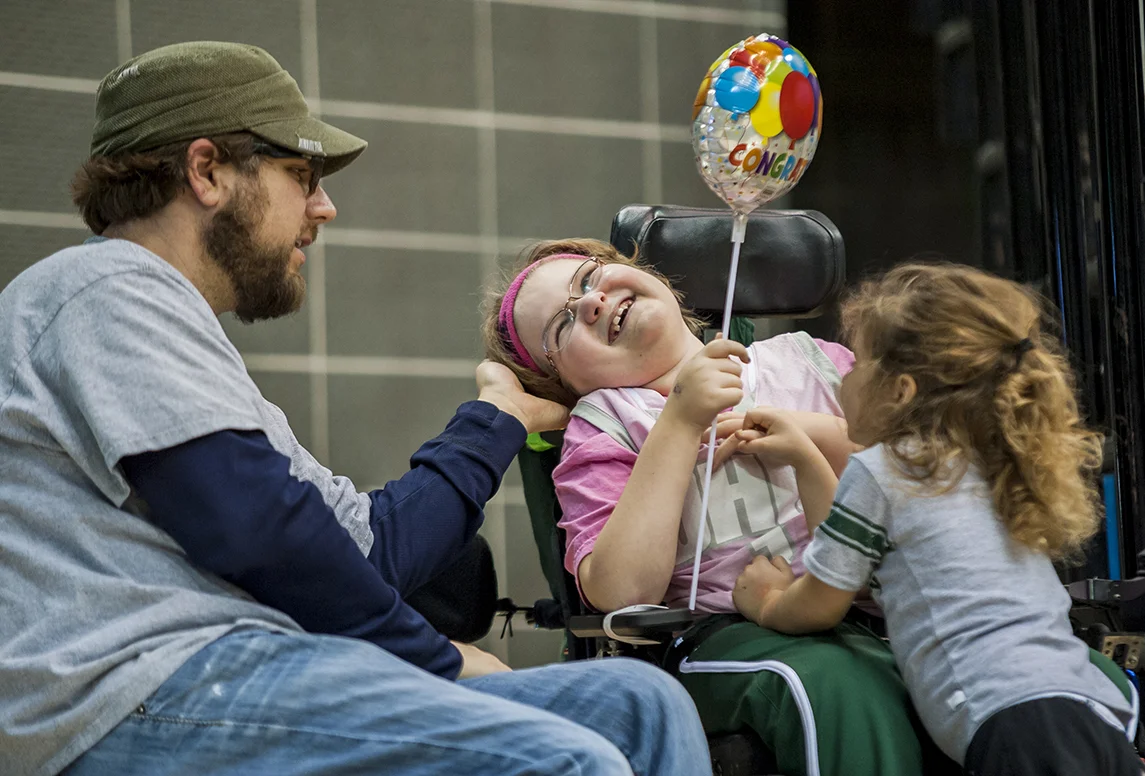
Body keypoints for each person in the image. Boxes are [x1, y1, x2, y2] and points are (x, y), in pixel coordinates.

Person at [0, 42, 712, 776]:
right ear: (206, 171)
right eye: (300, 176)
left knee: (638, 701)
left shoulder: (177, 340)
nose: (323, 207)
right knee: (567, 760)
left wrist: (496, 418)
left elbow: (369, 552)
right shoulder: (105, 289)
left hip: (246, 668)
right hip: (132, 692)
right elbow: (260, 532)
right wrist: (431, 658)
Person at [483, 238, 957, 776]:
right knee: (827, 682)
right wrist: (680, 420)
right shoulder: (605, 424)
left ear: (645, 274)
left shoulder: (811, 361)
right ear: (564, 385)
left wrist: (809, 432)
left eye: (591, 277)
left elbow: (923, 475)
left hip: (875, 607)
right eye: (560, 327)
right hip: (722, 633)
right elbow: (619, 592)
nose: (590, 302)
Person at [732, 262, 1141, 775]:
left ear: (900, 390)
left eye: (857, 364)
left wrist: (766, 601)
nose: (844, 376)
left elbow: (821, 604)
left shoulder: (883, 469)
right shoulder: (996, 460)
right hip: (1092, 708)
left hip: (1012, 727)